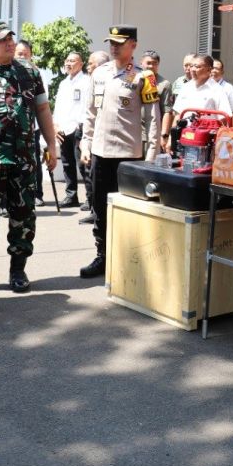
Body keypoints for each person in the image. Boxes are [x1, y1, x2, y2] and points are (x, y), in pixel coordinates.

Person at [0, 20, 58, 296]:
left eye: (10, 38)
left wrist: (51, 144)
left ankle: (18, 269)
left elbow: (42, 109)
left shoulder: (29, 71)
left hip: (24, 157)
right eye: (1, 39)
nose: (9, 42)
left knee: (24, 214)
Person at [78, 26, 143, 279]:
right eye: (111, 43)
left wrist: (150, 157)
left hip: (129, 153)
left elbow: (153, 119)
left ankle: (128, 260)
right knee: (100, 208)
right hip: (100, 153)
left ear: (133, 45)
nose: (113, 47)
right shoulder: (100, 74)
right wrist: (86, 144)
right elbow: (90, 113)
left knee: (130, 210)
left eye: (119, 42)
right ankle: (103, 256)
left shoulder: (141, 76)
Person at [53, 51, 91, 208]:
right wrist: (55, 125)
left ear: (81, 64)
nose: (68, 63)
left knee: (82, 164)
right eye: (67, 60)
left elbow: (87, 106)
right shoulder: (63, 83)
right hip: (63, 128)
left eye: (73, 61)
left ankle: (90, 197)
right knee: (67, 163)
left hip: (78, 128)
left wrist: (81, 126)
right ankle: (71, 195)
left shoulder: (86, 82)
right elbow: (58, 107)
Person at [163, 55, 226, 149]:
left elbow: (224, 120)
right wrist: (171, 139)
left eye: (197, 66)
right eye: (191, 66)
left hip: (206, 142)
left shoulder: (218, 90)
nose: (192, 69)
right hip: (184, 138)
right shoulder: (186, 87)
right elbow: (178, 115)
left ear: (209, 70)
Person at [78, 50, 109, 225]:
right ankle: (92, 207)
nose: (88, 67)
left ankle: (95, 210)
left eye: (91, 64)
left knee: (93, 174)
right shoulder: (88, 81)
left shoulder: (103, 81)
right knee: (85, 171)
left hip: (98, 136)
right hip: (84, 130)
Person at [14, 40, 46, 206]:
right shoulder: (9, 73)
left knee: (34, 162)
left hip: (33, 127)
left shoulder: (35, 73)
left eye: (26, 53)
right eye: (20, 53)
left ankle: (37, 194)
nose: (23, 56)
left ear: (31, 55)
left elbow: (43, 105)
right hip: (13, 131)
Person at [136, 51, 169, 161]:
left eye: (154, 63)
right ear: (141, 63)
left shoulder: (164, 84)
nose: (151, 66)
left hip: (151, 135)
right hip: (134, 133)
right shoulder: (133, 79)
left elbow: (167, 111)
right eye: (148, 63)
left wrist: (164, 135)